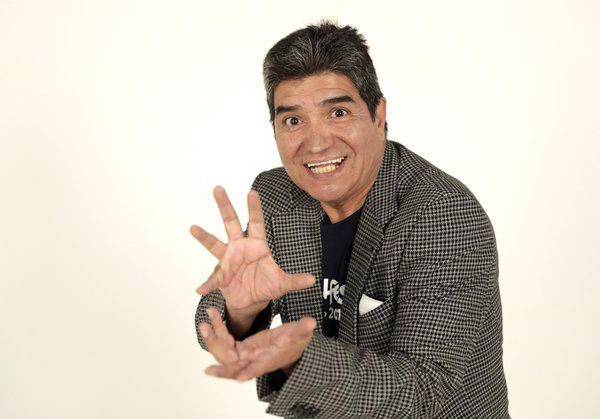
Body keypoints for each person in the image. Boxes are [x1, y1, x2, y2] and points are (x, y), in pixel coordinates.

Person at [192, 21, 510, 418]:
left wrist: (300, 357)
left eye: (338, 112)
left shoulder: (442, 214)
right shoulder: (276, 196)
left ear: (378, 115)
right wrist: (242, 311)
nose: (317, 143)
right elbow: (215, 320)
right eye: (293, 121)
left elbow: (422, 390)